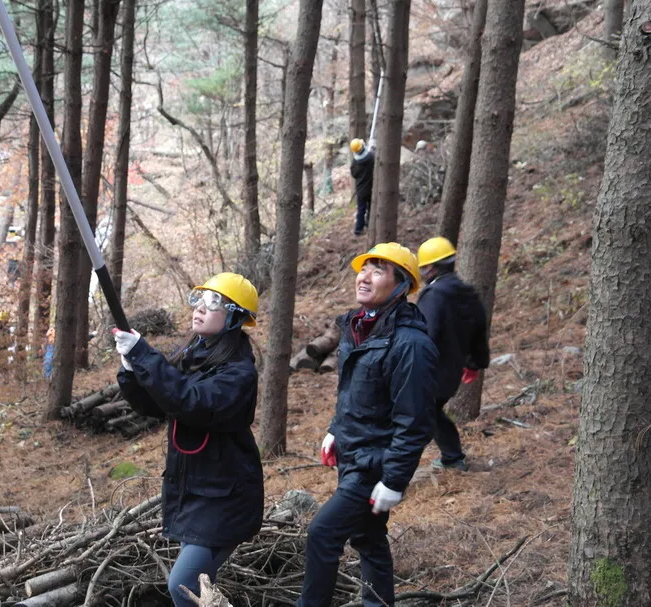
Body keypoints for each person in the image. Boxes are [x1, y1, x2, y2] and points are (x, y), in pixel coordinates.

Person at [298, 243, 437, 607]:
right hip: (352, 453)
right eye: (364, 269)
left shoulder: (410, 344)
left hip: (374, 464)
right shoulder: (357, 329)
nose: (364, 277)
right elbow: (354, 395)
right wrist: (334, 429)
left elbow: (415, 421)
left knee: (322, 533)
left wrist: (394, 480)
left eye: (378, 271)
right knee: (368, 540)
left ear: (401, 285)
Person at [113, 273, 264, 607]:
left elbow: (192, 402)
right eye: (199, 298)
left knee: (182, 585)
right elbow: (158, 404)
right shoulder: (194, 357)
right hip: (195, 493)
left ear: (235, 318)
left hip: (227, 500)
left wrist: (143, 355)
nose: (199, 308)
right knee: (199, 588)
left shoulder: (238, 373)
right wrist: (130, 369)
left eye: (213, 303)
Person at [415, 237, 491, 471]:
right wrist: (475, 363)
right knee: (431, 412)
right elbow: (479, 329)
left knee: (416, 416)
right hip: (451, 372)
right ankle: (453, 457)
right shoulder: (467, 292)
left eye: (422, 267)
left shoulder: (434, 295)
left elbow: (424, 335)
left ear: (431, 267)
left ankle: (395, 471)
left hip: (430, 371)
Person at [350, 138, 375, 236]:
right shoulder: (371, 157)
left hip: (360, 190)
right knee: (371, 208)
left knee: (361, 209)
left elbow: (354, 174)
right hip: (371, 188)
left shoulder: (355, 162)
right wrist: (373, 148)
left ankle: (358, 229)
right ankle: (369, 225)